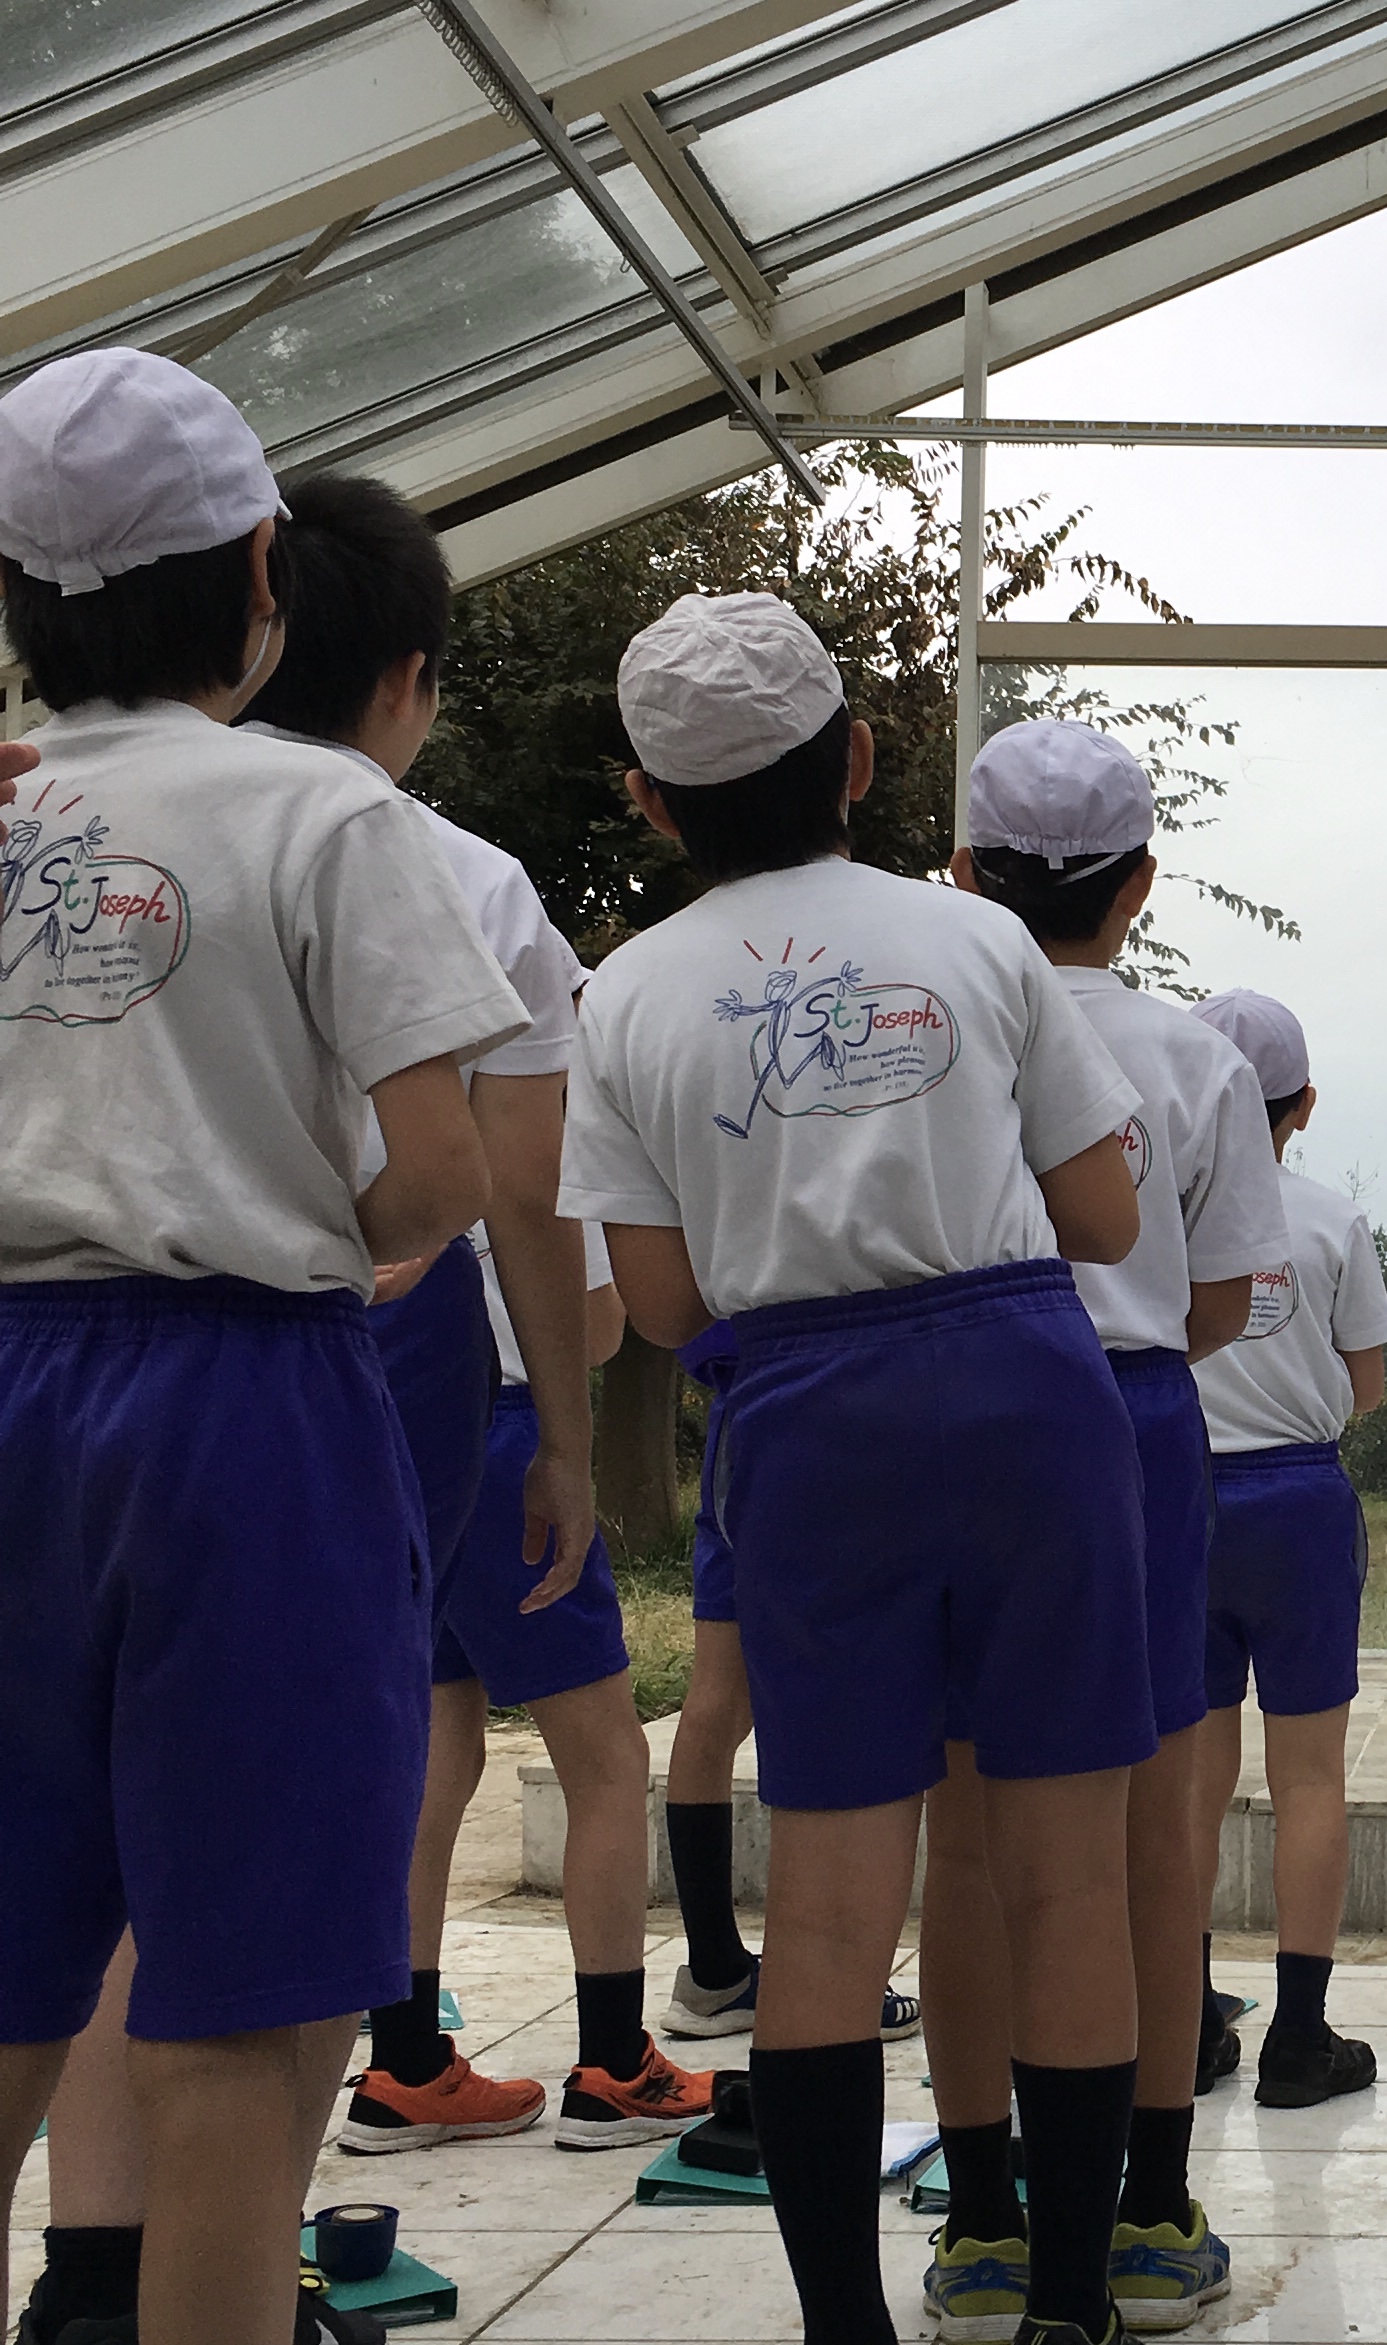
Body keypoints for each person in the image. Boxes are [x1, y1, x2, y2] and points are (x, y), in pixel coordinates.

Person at [0, 350, 523, 2345]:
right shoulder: (322, 811)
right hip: (239, 1399)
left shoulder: (3, 800)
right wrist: (353, 1242)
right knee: (242, 2024)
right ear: (258, 575)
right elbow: (439, 1163)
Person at [561, 593, 1154, 2345]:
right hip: (1025, 1395)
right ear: (866, 762)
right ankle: (1063, 2309)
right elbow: (1105, 1212)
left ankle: (845, 2326)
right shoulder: (972, 944)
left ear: (649, 802)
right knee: (1063, 1875)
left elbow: (659, 1300)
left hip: (804, 1422)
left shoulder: (622, 998)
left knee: (827, 1893)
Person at [221, 471, 709, 2157]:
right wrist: (562, 1430)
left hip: (100, 1344)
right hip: (427, 1370)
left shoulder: (68, 812)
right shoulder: (452, 875)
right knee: (531, 1752)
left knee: (357, 1744)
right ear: (411, 676)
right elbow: (505, 1185)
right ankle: (602, 2055)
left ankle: (398, 2052)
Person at [947, 718, 1285, 2337]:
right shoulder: (1197, 1058)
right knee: (1147, 1836)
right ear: (1142, 884)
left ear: (964, 874)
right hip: (1134, 1424)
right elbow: (1219, 1298)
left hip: (952, 1402)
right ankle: (1147, 2210)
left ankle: (983, 2219)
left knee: (962, 1839)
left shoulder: (933, 1023)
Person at [1179, 988, 1387, 2112]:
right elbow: (1365, 1387)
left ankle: (1186, 2021)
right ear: (1301, 1103)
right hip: (1299, 1501)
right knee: (1309, 1776)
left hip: (1179, 1499)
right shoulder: (1327, 1221)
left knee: (1190, 1782)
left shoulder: (1156, 1212)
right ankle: (1298, 2035)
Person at [652, 1312, 925, 2054]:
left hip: (751, 1397)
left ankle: (715, 1965)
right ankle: (835, 1981)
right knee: (827, 1692)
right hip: (819, 1388)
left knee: (721, 1695)